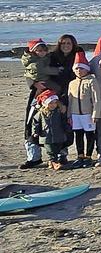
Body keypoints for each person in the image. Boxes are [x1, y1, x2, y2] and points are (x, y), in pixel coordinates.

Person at [20, 38, 53, 168]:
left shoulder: (50, 58)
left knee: (53, 123)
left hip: (51, 92)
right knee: (31, 123)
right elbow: (29, 75)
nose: (41, 52)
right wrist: (33, 84)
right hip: (36, 94)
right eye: (38, 50)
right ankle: (34, 157)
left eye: (43, 49)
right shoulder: (31, 62)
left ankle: (58, 155)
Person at [67, 52, 96, 163]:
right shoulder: (72, 83)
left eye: (82, 68)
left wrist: (95, 113)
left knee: (89, 135)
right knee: (78, 135)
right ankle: (80, 155)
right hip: (75, 114)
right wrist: (69, 114)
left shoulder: (91, 81)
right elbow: (70, 100)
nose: (79, 71)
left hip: (88, 113)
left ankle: (88, 156)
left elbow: (96, 99)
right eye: (77, 69)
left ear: (86, 69)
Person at [31, 90, 71, 170]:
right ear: (45, 104)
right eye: (50, 103)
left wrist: (67, 129)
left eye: (55, 103)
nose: (53, 105)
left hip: (58, 135)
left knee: (57, 148)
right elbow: (36, 123)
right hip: (46, 136)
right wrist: (35, 132)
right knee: (50, 151)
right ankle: (54, 162)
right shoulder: (41, 113)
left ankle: (52, 162)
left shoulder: (59, 112)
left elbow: (63, 122)